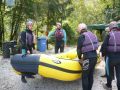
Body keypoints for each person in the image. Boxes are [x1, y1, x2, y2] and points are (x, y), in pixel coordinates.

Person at [77, 23, 99, 90]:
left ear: (80, 29)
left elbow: (79, 50)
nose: (77, 30)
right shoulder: (93, 34)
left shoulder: (81, 36)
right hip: (95, 57)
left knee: (85, 76)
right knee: (90, 75)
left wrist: (79, 58)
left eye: (78, 29)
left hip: (87, 58)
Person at [101, 21, 120, 90]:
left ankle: (109, 86)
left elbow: (104, 46)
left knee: (109, 72)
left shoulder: (109, 35)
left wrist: (103, 54)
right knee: (119, 74)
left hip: (110, 57)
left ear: (110, 27)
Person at [20, 19, 36, 83]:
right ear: (27, 25)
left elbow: (32, 42)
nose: (31, 26)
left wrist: (33, 48)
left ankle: (29, 74)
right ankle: (22, 77)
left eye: (31, 25)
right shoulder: (23, 32)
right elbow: (23, 42)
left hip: (30, 48)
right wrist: (27, 50)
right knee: (24, 63)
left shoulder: (31, 32)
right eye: (29, 25)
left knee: (30, 62)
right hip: (24, 49)